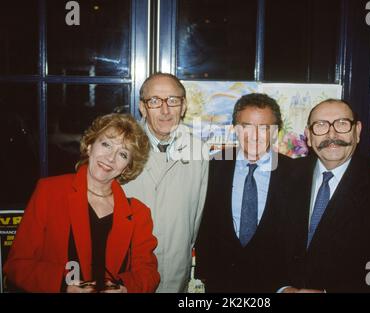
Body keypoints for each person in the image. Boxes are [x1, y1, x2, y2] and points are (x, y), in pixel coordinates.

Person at [3, 113, 160, 293]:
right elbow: (16, 265)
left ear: (128, 166)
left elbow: (148, 273)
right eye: (106, 144)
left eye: (123, 154)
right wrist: (63, 286)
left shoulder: (138, 212)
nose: (110, 158)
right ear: (90, 146)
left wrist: (125, 288)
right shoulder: (50, 192)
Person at [283, 99, 370, 293]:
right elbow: (269, 246)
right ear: (309, 136)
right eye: (321, 125)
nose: (332, 134)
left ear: (357, 131)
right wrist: (283, 289)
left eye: (342, 123)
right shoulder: (287, 176)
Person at [195, 93, 297, 292]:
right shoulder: (214, 166)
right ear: (234, 129)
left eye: (264, 128)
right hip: (221, 281)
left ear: (276, 132)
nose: (254, 135)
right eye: (246, 126)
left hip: (274, 283)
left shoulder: (294, 173)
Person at [123, 73, 209, 293]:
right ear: (142, 107)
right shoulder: (120, 147)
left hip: (175, 271)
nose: (165, 110)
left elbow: (196, 216)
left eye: (173, 100)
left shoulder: (199, 150)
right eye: (154, 101)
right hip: (126, 272)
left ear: (184, 106)